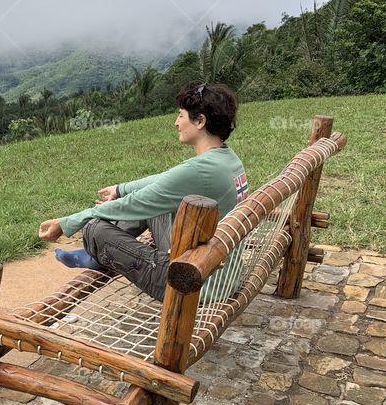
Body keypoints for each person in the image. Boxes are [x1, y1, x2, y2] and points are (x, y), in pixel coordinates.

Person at [38, 81, 249, 302]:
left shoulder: (198, 170)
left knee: (94, 228)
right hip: (221, 270)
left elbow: (135, 203)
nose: (176, 123)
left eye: (180, 115)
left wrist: (67, 223)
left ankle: (97, 254)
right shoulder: (226, 158)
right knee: (154, 205)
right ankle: (97, 256)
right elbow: (164, 181)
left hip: (192, 283)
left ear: (200, 121)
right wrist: (120, 189)